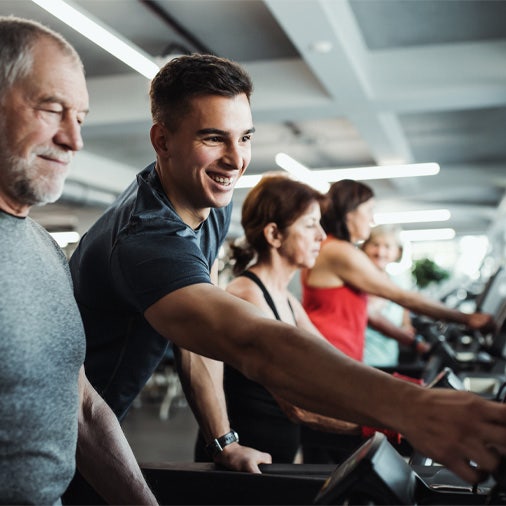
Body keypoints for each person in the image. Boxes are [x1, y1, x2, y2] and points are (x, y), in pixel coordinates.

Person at [69, 53, 506, 486]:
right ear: (162, 141)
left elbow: (198, 342)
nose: (235, 159)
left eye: (244, 138)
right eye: (213, 138)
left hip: (94, 416)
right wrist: (412, 409)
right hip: (63, 422)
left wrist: (223, 442)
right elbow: (251, 342)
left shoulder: (209, 206)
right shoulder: (147, 238)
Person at [0, 16, 157, 505]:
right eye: (51, 109)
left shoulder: (43, 247)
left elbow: (81, 405)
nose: (74, 139)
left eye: (81, 118)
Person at [194, 174, 361, 463]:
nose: (321, 236)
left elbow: (334, 365)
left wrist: (407, 396)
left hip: (276, 453)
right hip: (243, 465)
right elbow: (296, 405)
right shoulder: (247, 297)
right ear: (274, 235)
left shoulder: (285, 298)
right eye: (310, 225)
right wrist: (390, 425)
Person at [302, 179, 493, 363]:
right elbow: (402, 296)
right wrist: (466, 319)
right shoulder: (339, 251)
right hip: (329, 356)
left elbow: (372, 314)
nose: (372, 218)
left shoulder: (335, 249)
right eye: (369, 210)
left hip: (335, 355)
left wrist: (414, 342)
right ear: (349, 212)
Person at [361, 224, 430, 368]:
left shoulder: (398, 284)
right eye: (375, 245)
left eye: (387, 246)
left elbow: (405, 322)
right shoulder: (358, 281)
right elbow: (371, 316)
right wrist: (415, 343)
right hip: (361, 362)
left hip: (389, 361)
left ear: (397, 252)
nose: (380, 252)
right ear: (365, 248)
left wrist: (407, 329)